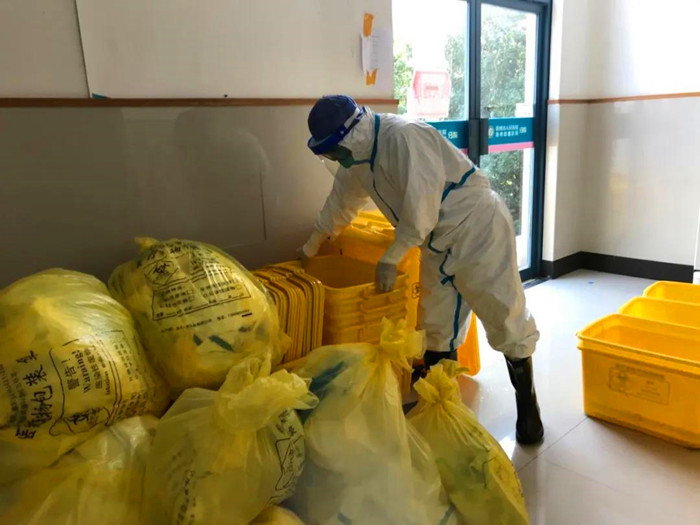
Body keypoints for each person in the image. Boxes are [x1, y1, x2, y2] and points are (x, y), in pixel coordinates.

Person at [300, 95, 543, 444]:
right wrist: (310, 247)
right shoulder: (357, 160)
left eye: (334, 150)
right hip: (434, 242)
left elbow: (422, 209)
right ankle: (442, 409)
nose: (336, 158)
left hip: (477, 227)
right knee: (435, 326)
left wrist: (392, 257)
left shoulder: (404, 137)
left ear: (351, 133)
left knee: (504, 315)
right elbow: (339, 204)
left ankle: (528, 406)